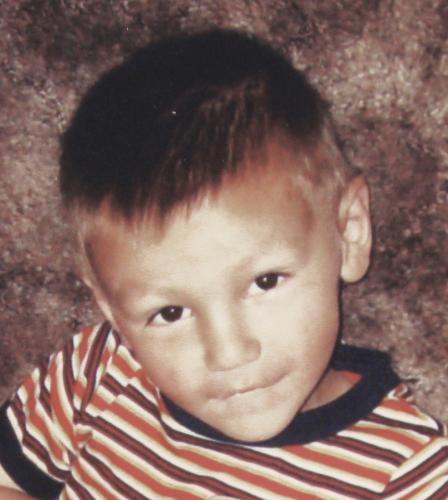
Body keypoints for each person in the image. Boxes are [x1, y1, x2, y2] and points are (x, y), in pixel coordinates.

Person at [0, 29, 446, 500]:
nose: (228, 353)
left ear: (349, 232)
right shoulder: (98, 370)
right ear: (111, 307)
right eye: (170, 313)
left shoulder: (406, 472)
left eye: (265, 281)